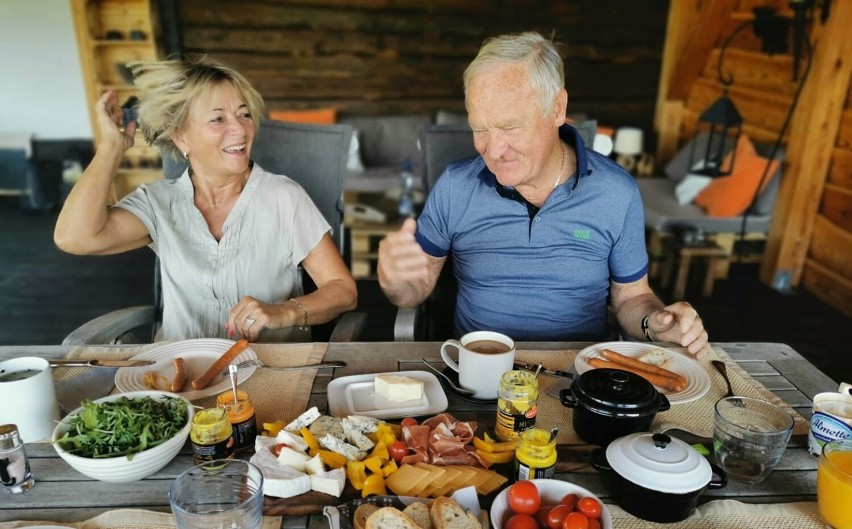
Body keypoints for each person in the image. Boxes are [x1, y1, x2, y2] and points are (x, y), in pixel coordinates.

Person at [377, 32, 709, 358]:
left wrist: (656, 323)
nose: (493, 150)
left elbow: (632, 298)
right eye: (480, 128)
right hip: (480, 372)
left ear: (557, 108)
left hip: (579, 377)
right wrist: (396, 282)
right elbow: (413, 291)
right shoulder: (456, 185)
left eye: (509, 127)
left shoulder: (616, 192)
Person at [54, 56, 357, 342]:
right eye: (217, 119)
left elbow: (343, 290)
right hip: (177, 382)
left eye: (244, 114)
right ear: (181, 137)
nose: (239, 129)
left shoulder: (283, 198)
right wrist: (112, 147)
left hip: (269, 376)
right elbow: (74, 238)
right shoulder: (158, 203)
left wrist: (284, 311)